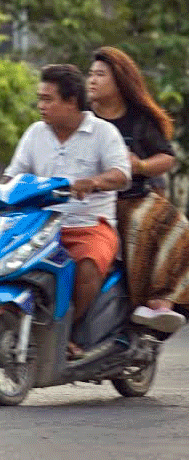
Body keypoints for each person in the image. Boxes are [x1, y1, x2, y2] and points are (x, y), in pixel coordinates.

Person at [0, 64, 130, 357]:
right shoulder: (35, 133)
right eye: (40, 98)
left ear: (72, 101)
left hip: (90, 224)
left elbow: (121, 174)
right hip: (40, 224)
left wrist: (94, 182)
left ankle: (71, 331)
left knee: (87, 265)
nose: (41, 106)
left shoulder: (103, 132)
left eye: (48, 99)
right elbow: (13, 174)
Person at [87, 46, 188, 332]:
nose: (92, 80)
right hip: (90, 201)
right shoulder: (83, 119)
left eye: (100, 75)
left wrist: (141, 166)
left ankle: (158, 303)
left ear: (119, 80)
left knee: (171, 225)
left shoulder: (139, 120)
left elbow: (166, 156)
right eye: (90, 74)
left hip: (134, 197)